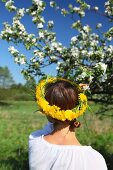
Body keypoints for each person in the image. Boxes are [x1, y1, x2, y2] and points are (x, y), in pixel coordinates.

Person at [29, 77, 108, 170]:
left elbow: (51, 126)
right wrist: (74, 94)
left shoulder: (35, 140)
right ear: (78, 109)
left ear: (46, 111)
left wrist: (70, 96)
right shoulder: (95, 159)